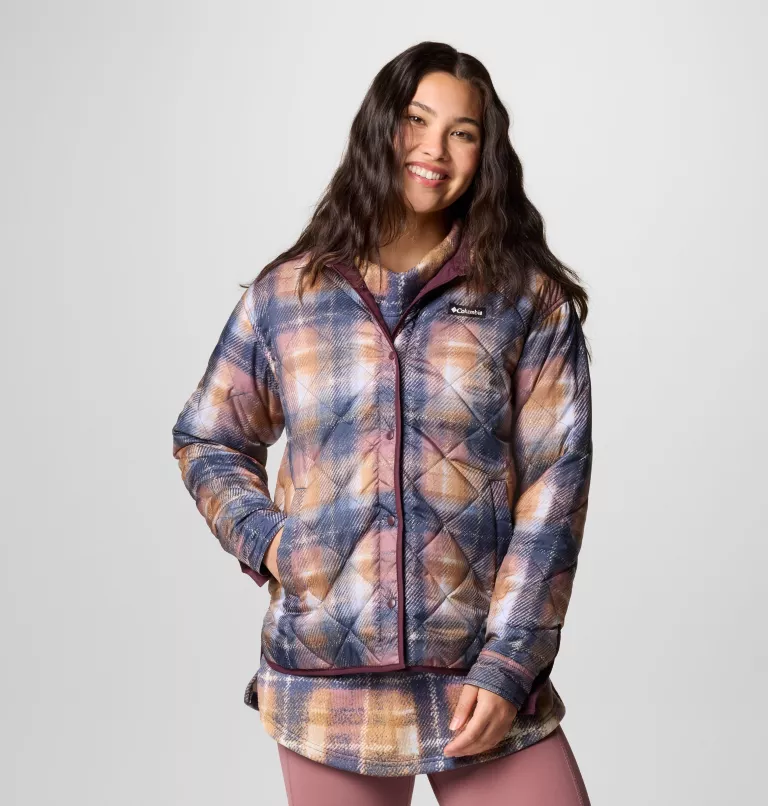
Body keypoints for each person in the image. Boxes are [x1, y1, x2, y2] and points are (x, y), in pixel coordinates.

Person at [171, 41, 594, 805]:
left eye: (463, 132)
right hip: (326, 679)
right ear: (380, 131)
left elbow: (553, 494)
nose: (435, 149)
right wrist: (269, 541)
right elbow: (208, 436)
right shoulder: (288, 295)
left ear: (486, 154)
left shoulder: (527, 301)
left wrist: (510, 664)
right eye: (415, 122)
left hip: (477, 671)